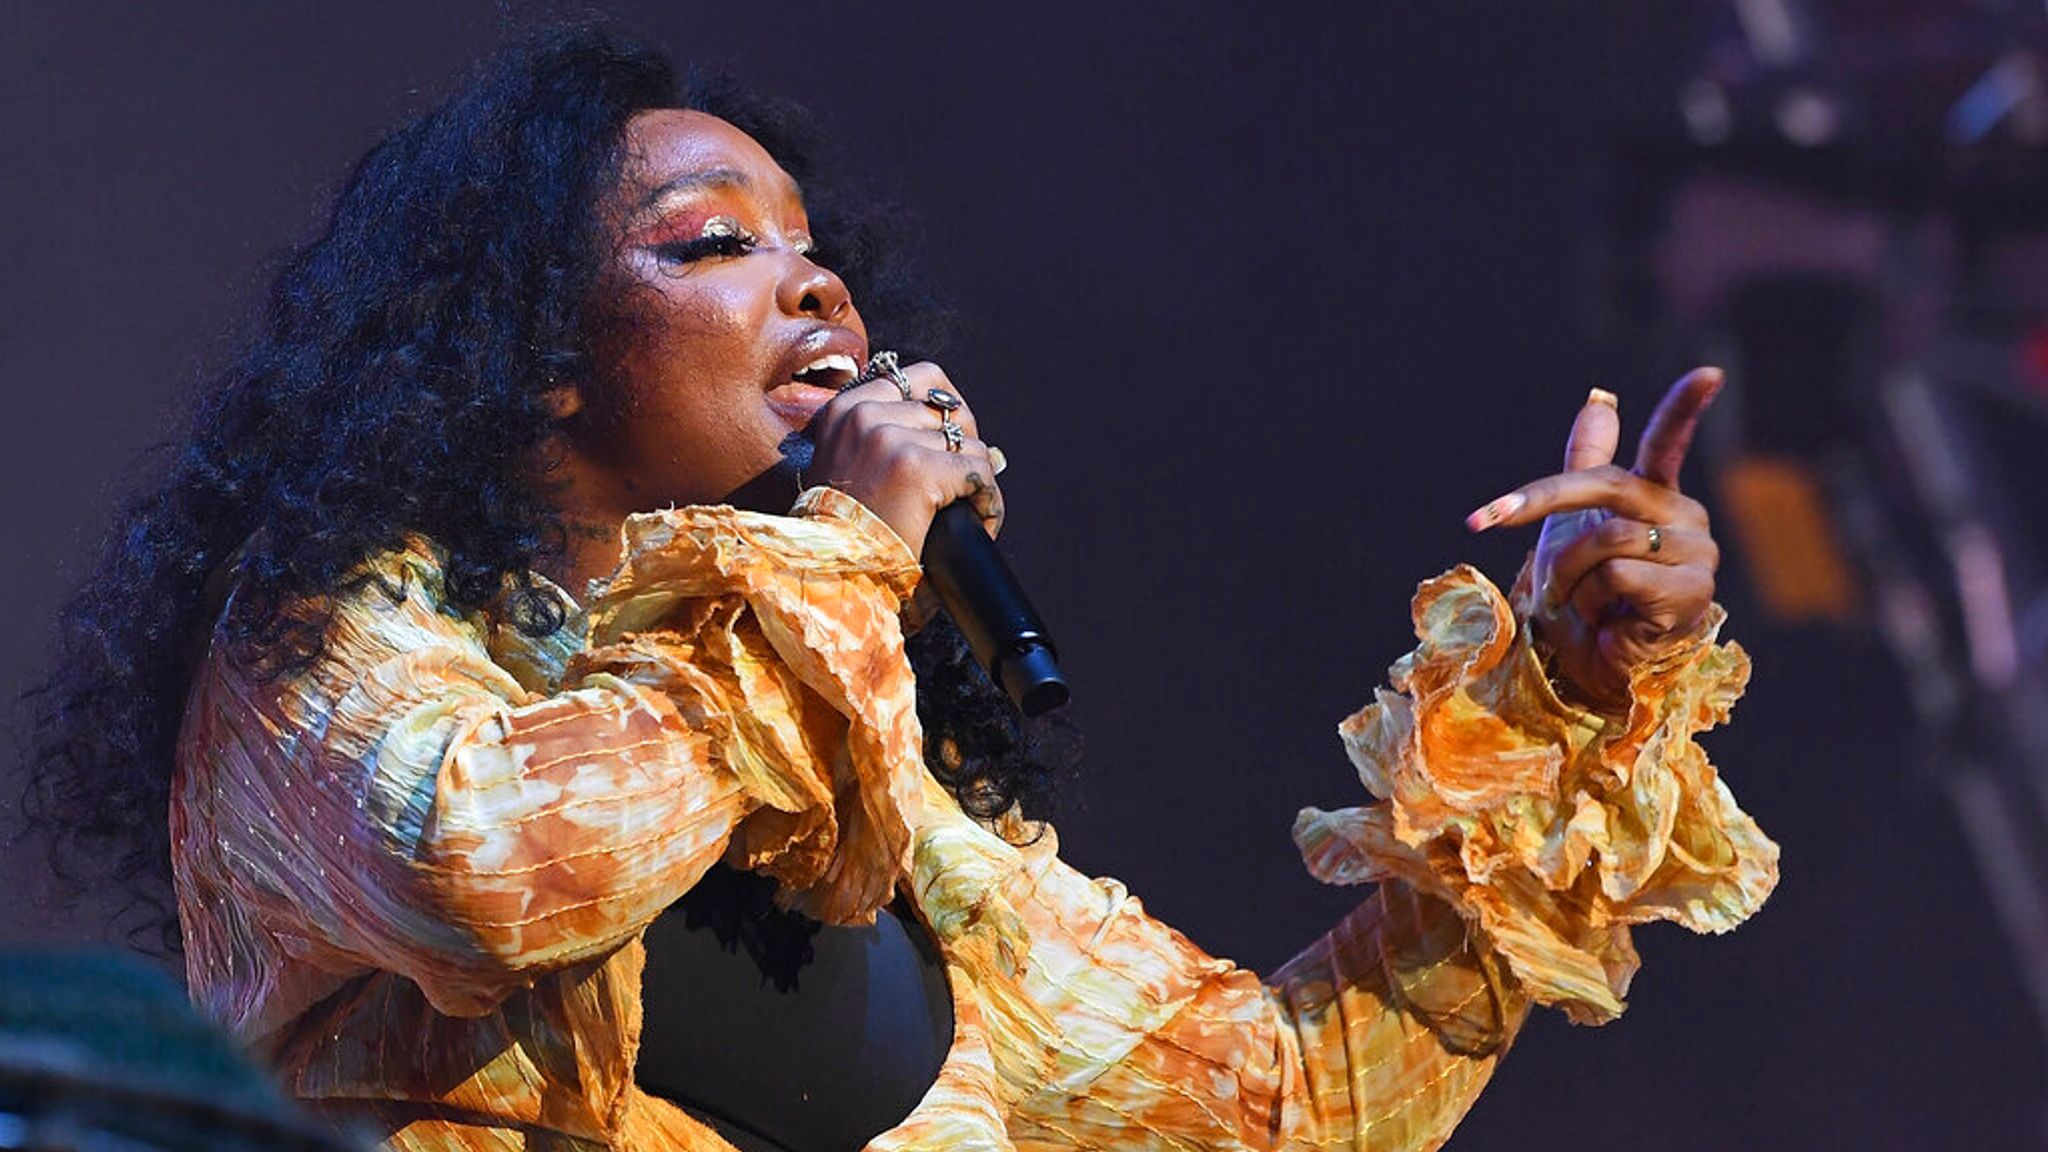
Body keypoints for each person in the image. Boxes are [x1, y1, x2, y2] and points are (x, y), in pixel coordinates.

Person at [22, 24, 1778, 1152]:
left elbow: (1295, 1104)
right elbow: (492, 874)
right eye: (716, 245)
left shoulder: (879, 804)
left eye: (818, 251)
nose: (818, 294)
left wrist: (1563, 685)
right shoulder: (331, 627)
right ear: (533, 350)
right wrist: (855, 552)